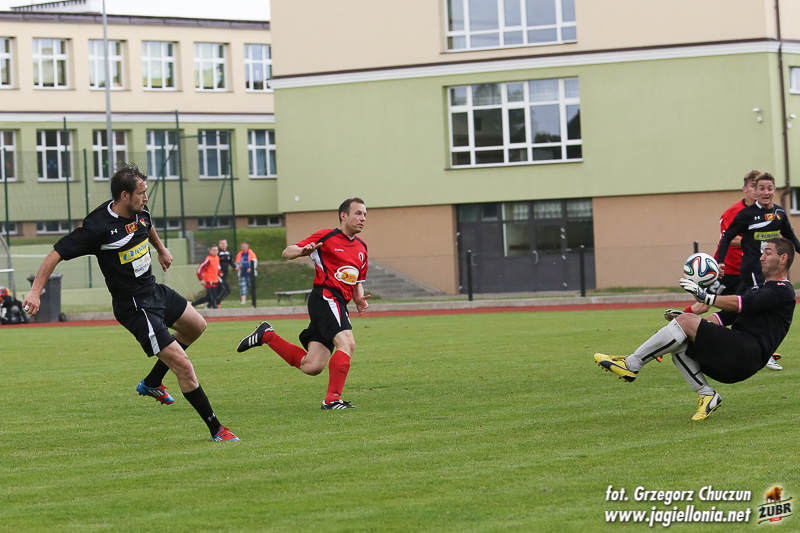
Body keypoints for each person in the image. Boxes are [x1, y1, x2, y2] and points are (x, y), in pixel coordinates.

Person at [22, 163, 238, 442]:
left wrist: (161, 249)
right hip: (134, 306)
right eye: (141, 193)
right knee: (183, 365)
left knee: (196, 326)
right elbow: (55, 254)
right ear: (124, 195)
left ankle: (152, 382)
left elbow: (147, 225)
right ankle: (217, 430)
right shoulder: (97, 228)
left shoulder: (140, 211)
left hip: (153, 290)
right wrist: (35, 292)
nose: (146, 197)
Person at [594, 237, 795, 421]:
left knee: (686, 324)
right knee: (680, 343)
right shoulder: (759, 287)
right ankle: (708, 395)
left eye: (767, 252)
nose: (761, 257)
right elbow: (723, 317)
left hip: (748, 353)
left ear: (783, 258)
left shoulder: (782, 290)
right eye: (762, 252)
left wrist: (704, 299)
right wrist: (684, 322)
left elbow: (744, 303)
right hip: (738, 357)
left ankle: (631, 364)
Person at [236, 197, 370, 410]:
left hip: (337, 303)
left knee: (312, 365)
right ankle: (332, 400)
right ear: (343, 215)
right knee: (347, 343)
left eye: (365, 214)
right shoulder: (326, 236)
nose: (363, 218)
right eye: (358, 213)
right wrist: (302, 251)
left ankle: (267, 335)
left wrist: (359, 298)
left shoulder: (362, 248)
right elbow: (287, 252)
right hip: (326, 297)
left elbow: (357, 281)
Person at [712, 169, 760, 296]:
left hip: (750, 269)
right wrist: (756, 240)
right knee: (705, 302)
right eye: (753, 186)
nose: (756, 190)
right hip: (728, 269)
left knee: (750, 304)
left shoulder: (766, 212)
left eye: (759, 186)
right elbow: (729, 239)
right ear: (745, 189)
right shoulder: (733, 212)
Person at [192, 245, 221, 309]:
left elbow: (215, 268)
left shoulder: (217, 258)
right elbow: (200, 269)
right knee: (213, 297)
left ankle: (192, 304)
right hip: (209, 280)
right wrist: (201, 279)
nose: (216, 252)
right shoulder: (208, 259)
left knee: (208, 298)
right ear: (210, 251)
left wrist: (219, 272)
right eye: (214, 250)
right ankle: (216, 309)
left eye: (217, 250)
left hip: (215, 280)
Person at [216, 239, 233, 305]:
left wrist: (235, 267)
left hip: (225, 275)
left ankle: (213, 302)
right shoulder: (218, 254)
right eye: (222, 243)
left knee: (219, 291)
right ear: (219, 245)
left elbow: (230, 262)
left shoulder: (228, 253)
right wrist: (219, 272)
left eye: (225, 243)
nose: (223, 245)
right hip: (219, 275)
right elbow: (216, 264)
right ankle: (217, 302)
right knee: (227, 290)